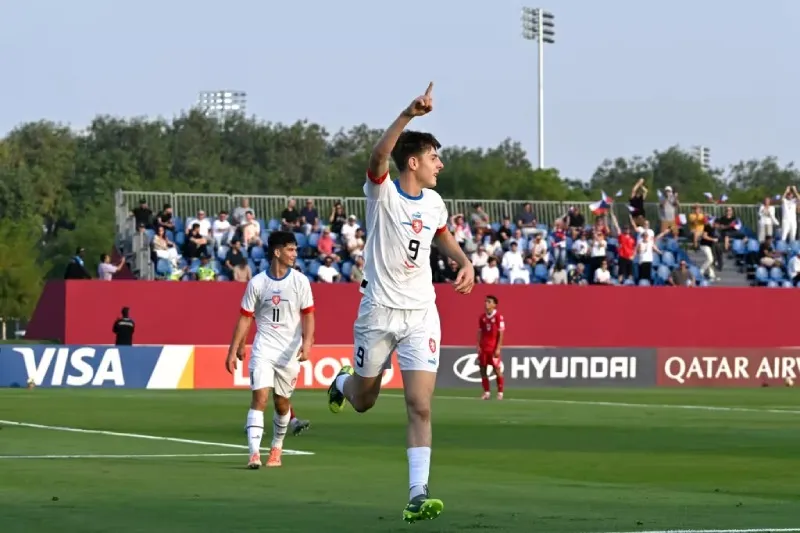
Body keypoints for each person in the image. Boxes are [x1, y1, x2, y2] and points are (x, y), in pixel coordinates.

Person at [325, 82, 475, 523]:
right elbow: (376, 159)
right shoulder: (383, 193)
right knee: (365, 400)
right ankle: (342, 383)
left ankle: (417, 493)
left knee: (421, 405)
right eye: (434, 158)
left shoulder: (434, 202)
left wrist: (463, 261)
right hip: (378, 311)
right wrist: (408, 114)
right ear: (413, 162)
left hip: (421, 314)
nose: (440, 165)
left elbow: (441, 232)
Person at [225, 231, 315, 469]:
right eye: (290, 249)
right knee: (259, 398)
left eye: (295, 249)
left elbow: (308, 316)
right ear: (277, 252)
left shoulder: (300, 282)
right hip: (264, 347)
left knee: (282, 403)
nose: (295, 254)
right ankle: (254, 454)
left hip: (289, 352)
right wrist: (234, 349)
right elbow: (245, 318)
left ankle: (277, 447)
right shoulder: (257, 283)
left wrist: (307, 344)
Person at [477, 295, 505, 400]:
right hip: (484, 348)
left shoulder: (498, 317)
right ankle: (486, 392)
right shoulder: (482, 317)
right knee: (482, 369)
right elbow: (480, 331)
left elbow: (501, 333)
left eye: (489, 302)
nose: (486, 303)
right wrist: (478, 345)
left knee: (497, 370)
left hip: (493, 348)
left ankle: (500, 393)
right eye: (485, 301)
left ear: (494, 304)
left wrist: (498, 348)